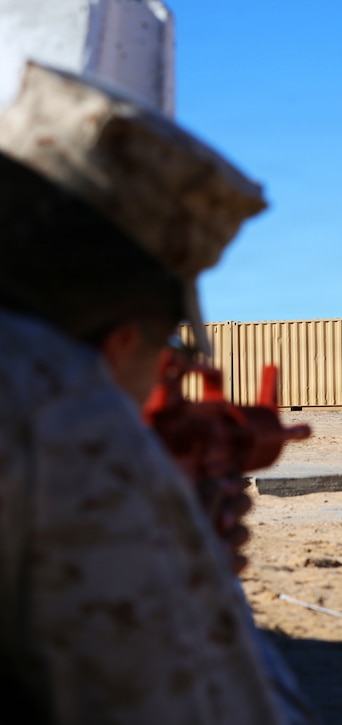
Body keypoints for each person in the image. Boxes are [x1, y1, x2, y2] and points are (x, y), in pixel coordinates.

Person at [0, 62, 313, 723]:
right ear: (119, 345)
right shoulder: (57, 406)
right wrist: (187, 561)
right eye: (164, 346)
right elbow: (198, 697)